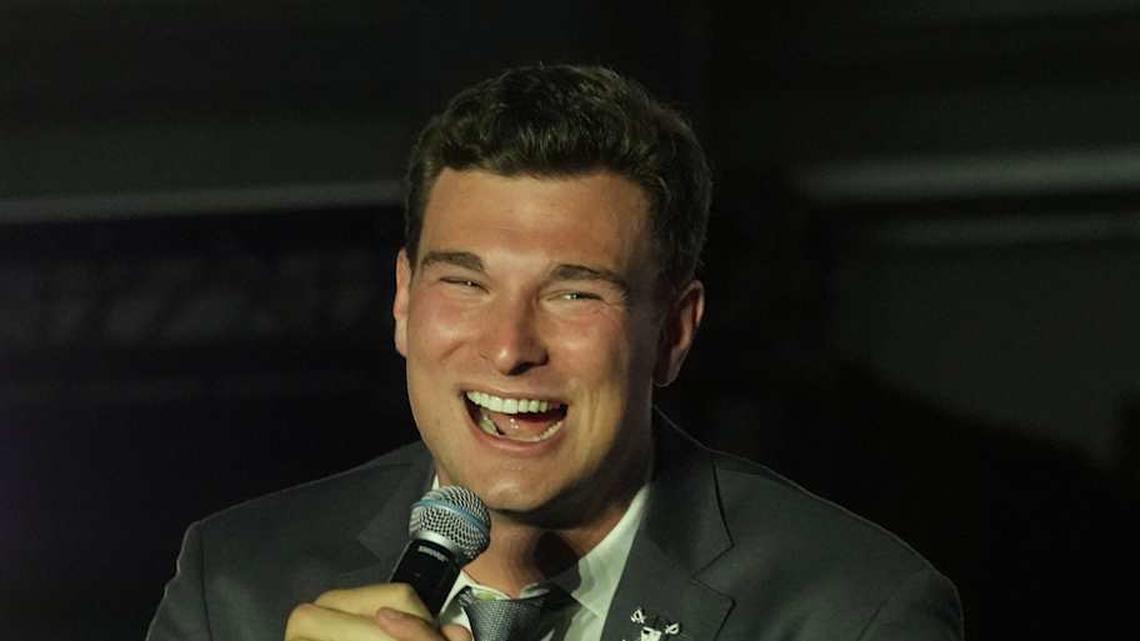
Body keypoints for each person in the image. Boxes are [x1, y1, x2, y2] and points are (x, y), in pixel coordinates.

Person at [148, 64, 963, 641]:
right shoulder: (238, 585)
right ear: (402, 303)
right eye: (464, 283)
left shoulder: (851, 611)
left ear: (674, 332)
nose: (509, 348)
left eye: (575, 293)